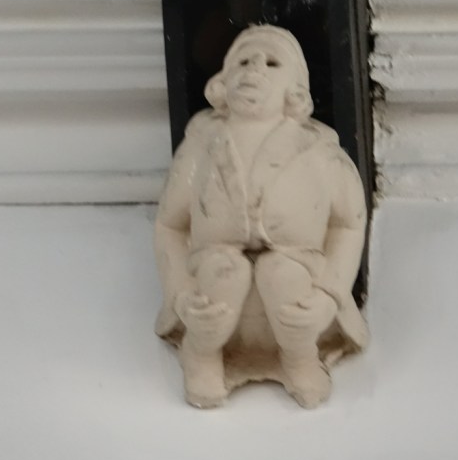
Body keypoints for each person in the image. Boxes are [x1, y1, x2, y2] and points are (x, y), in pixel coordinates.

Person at [154, 24, 369, 409]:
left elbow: (348, 223)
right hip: (215, 280)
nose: (254, 67)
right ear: (222, 83)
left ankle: (300, 357)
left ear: (295, 91)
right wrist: (181, 294)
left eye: (271, 63)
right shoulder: (200, 146)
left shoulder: (320, 152)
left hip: (296, 279)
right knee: (224, 271)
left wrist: (328, 295)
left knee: (282, 273)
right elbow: (170, 224)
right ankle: (202, 354)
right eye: (242, 61)